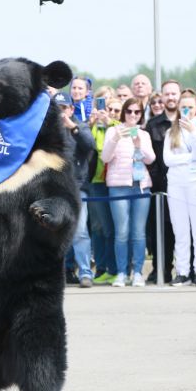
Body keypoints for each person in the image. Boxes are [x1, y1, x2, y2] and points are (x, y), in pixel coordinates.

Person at [102, 97, 155, 287]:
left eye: (137, 112)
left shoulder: (144, 134)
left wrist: (139, 143)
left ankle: (138, 272)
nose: (132, 115)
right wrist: (116, 138)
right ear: (124, 112)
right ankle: (122, 272)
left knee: (138, 232)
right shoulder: (112, 131)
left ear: (141, 115)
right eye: (129, 111)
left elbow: (150, 159)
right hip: (118, 186)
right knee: (122, 232)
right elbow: (105, 157)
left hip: (140, 185)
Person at [164, 92, 196, 287]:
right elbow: (168, 159)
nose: (186, 110)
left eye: (190, 107)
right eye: (183, 107)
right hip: (176, 183)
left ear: (195, 109)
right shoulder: (170, 132)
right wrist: (190, 157)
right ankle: (182, 271)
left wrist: (193, 134)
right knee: (180, 230)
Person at [54, 93, 94, 287]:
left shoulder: (80, 127)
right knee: (55, 234)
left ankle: (85, 272)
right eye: (57, 108)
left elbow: (90, 145)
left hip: (77, 188)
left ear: (71, 109)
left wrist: (73, 128)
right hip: (54, 189)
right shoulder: (48, 130)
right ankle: (61, 273)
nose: (61, 113)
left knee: (79, 233)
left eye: (64, 108)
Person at [144, 80, 180, 283]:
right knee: (161, 231)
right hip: (161, 187)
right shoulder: (153, 125)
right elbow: (149, 158)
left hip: (184, 185)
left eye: (174, 94)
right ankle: (161, 269)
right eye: (167, 94)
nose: (171, 98)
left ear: (179, 96)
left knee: (182, 230)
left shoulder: (186, 122)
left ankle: (187, 269)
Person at [87, 98, 119, 284]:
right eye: (108, 109)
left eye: (115, 110)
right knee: (99, 228)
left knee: (112, 229)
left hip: (115, 181)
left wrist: (110, 123)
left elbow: (125, 132)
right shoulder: (94, 125)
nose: (111, 112)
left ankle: (113, 268)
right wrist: (92, 123)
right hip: (96, 181)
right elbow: (88, 145)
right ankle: (101, 268)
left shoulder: (118, 126)